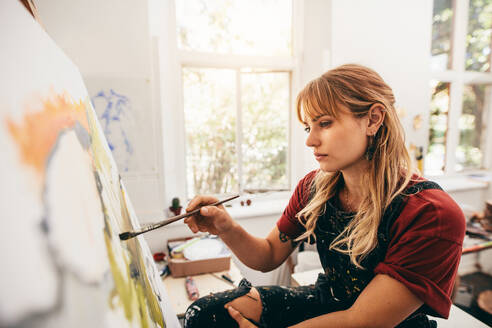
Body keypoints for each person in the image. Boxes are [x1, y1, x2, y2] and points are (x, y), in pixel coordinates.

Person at [182, 64, 465, 328]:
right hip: (330, 301)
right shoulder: (314, 188)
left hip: (381, 323)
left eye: (325, 123)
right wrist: (225, 227)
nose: (310, 140)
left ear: (373, 119)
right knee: (204, 316)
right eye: (308, 127)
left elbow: (364, 321)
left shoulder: (431, 213)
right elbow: (268, 255)